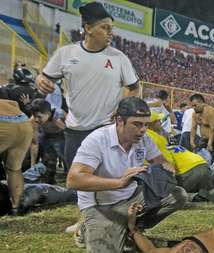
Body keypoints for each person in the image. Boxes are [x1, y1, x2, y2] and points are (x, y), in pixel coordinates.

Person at [66, 97, 187, 253]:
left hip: (131, 199)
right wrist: (118, 183)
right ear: (119, 121)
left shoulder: (143, 139)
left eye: (146, 124)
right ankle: (85, 228)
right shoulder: (97, 139)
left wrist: (166, 166)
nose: (143, 130)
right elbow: (73, 180)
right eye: (137, 124)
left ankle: (131, 229)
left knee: (178, 195)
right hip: (101, 205)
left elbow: (159, 160)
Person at [35, 1, 140, 170]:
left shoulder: (119, 58)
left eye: (111, 29)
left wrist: (123, 111)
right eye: (105, 28)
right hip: (75, 131)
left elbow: (135, 88)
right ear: (88, 28)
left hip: (106, 129)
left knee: (106, 180)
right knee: (78, 183)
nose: (110, 33)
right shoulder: (66, 54)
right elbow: (44, 77)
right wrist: (39, 80)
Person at [147, 111, 213, 194]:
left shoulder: (152, 138)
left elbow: (168, 165)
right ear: (150, 124)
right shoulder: (156, 138)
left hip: (190, 172)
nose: (160, 122)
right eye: (157, 121)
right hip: (204, 165)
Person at [30, 98, 66, 184]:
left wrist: (63, 126)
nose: (36, 119)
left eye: (39, 117)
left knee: (63, 154)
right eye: (34, 116)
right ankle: (50, 177)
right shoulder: (33, 121)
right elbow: (34, 143)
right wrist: (32, 165)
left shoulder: (60, 114)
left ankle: (67, 174)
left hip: (61, 134)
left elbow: (71, 132)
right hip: (45, 134)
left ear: (48, 114)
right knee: (47, 156)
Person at [189, 93, 214, 164]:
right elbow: (193, 127)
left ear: (202, 103)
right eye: (192, 106)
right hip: (203, 139)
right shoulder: (195, 113)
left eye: (195, 105)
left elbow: (213, 129)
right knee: (198, 157)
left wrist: (210, 143)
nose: (193, 108)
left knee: (212, 159)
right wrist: (192, 141)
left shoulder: (211, 111)